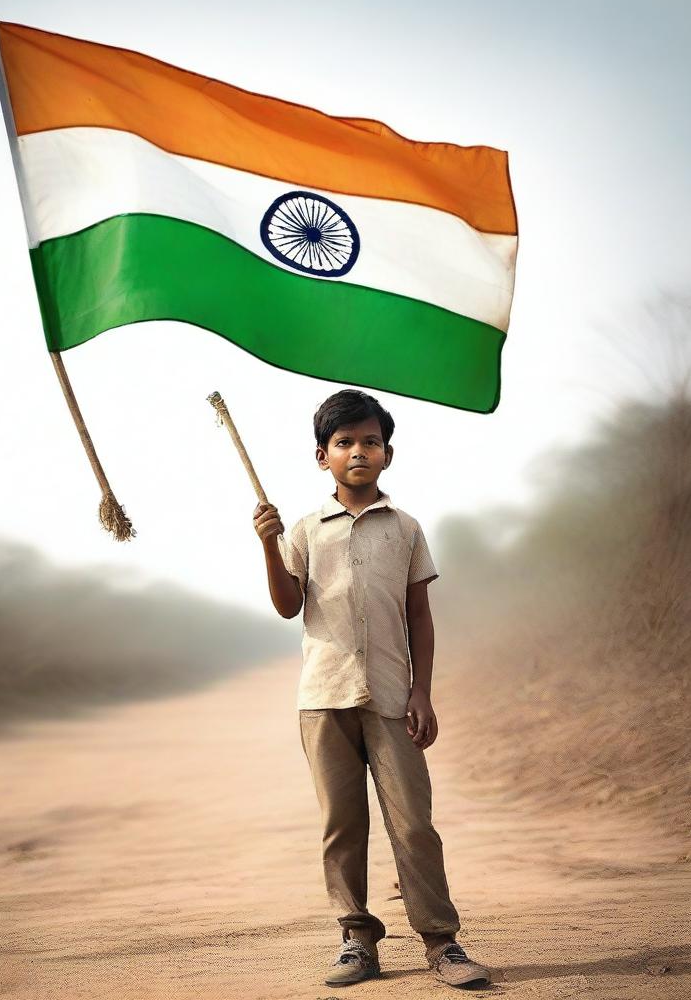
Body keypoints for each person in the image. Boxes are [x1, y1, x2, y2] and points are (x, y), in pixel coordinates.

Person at [252, 388, 492, 989]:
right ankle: (356, 939)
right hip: (324, 698)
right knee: (343, 824)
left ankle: (441, 941)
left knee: (413, 822)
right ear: (322, 456)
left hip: (391, 695)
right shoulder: (305, 530)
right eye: (344, 443)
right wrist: (267, 542)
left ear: (387, 454)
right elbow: (287, 606)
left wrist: (422, 692)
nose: (358, 451)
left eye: (370, 441)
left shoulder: (406, 529)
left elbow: (421, 617)